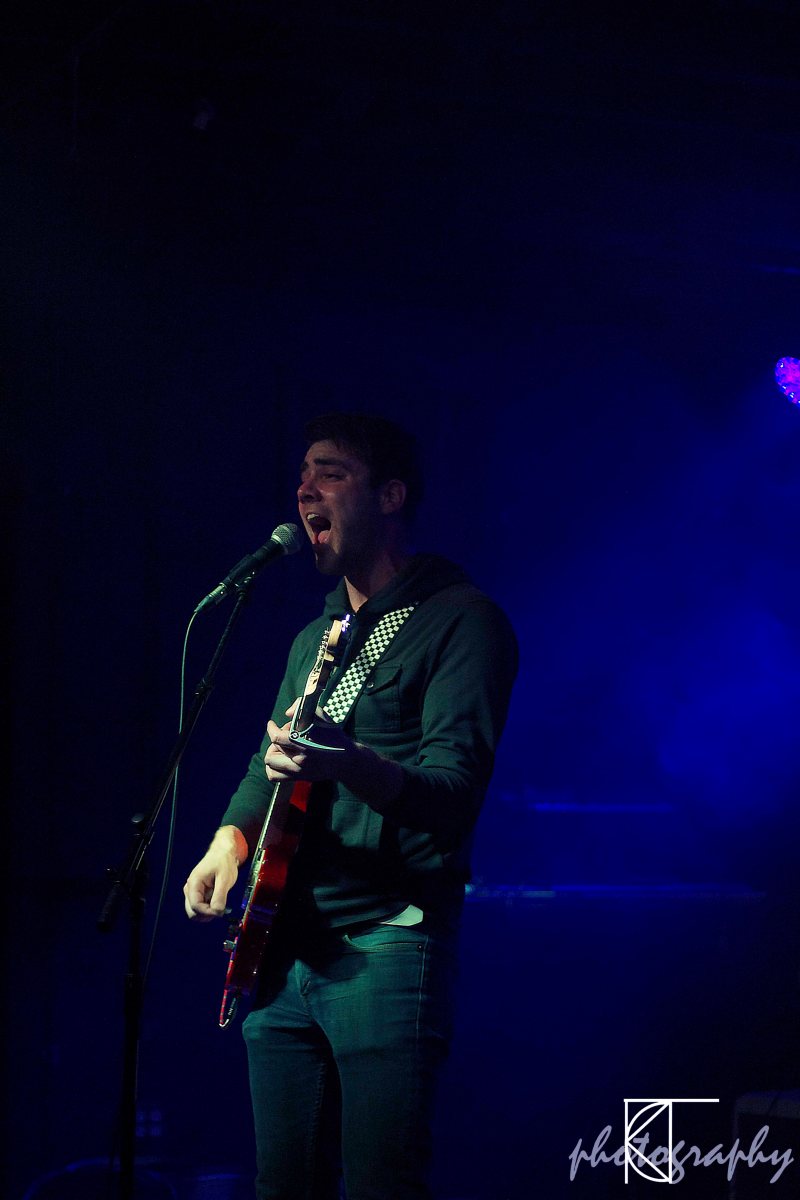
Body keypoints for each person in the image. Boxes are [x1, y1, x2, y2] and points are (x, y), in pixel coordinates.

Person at [184, 412, 518, 1200]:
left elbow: (454, 792)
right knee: (282, 1185)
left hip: (386, 945)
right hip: (283, 949)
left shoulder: (462, 621)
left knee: (380, 1185)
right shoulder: (316, 638)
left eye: (330, 473)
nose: (305, 490)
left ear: (390, 495)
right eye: (303, 475)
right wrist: (228, 841)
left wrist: (352, 764)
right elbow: (269, 764)